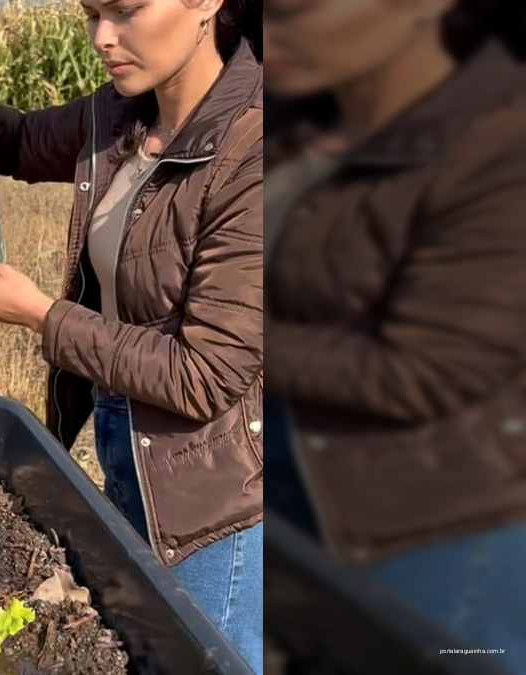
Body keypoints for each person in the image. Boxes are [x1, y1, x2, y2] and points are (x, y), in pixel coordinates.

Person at [0, 0, 264, 670]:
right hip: (126, 446)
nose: (104, 37)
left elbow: (205, 374)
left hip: (214, 504)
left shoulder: (254, 151)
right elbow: (20, 141)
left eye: (126, 11)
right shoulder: (123, 113)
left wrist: (44, 317)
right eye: (91, 13)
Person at [263, 0, 526, 672]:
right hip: (304, 503)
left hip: (432, 537)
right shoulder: (306, 116)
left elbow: (425, 367)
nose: (269, 33)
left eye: (294, 11)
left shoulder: (496, 140)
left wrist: (235, 338)